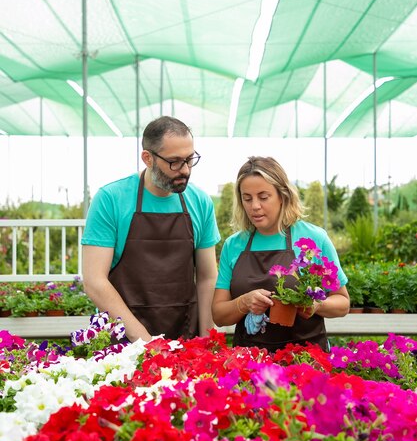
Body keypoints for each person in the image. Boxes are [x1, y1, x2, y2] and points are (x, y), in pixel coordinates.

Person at [82, 116, 221, 343]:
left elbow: (207, 278)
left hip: (186, 337)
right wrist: (146, 343)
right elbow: (94, 281)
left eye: (189, 159)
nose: (185, 170)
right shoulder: (110, 199)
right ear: (148, 158)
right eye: (174, 162)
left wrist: (208, 341)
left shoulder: (200, 201)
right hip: (125, 342)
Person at [212, 156, 349, 351]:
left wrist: (316, 305)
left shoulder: (313, 239)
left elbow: (343, 303)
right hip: (250, 362)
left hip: (306, 360)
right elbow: (218, 314)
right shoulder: (234, 245)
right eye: (247, 198)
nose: (255, 206)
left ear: (283, 195)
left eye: (263, 197)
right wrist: (244, 302)